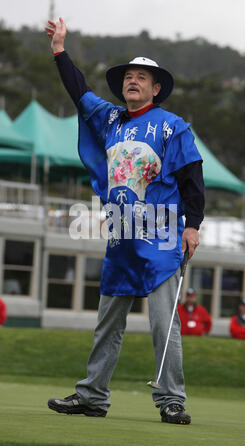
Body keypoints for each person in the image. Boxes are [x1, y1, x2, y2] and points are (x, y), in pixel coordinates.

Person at [45, 17, 205, 425]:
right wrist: (60, 51)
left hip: (162, 237)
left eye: (142, 77)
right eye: (128, 76)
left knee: (162, 325)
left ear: (156, 88)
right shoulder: (110, 118)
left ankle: (171, 399)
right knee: (107, 324)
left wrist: (193, 226)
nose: (133, 81)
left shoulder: (174, 126)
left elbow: (191, 178)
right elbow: (79, 92)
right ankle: (92, 396)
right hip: (121, 236)